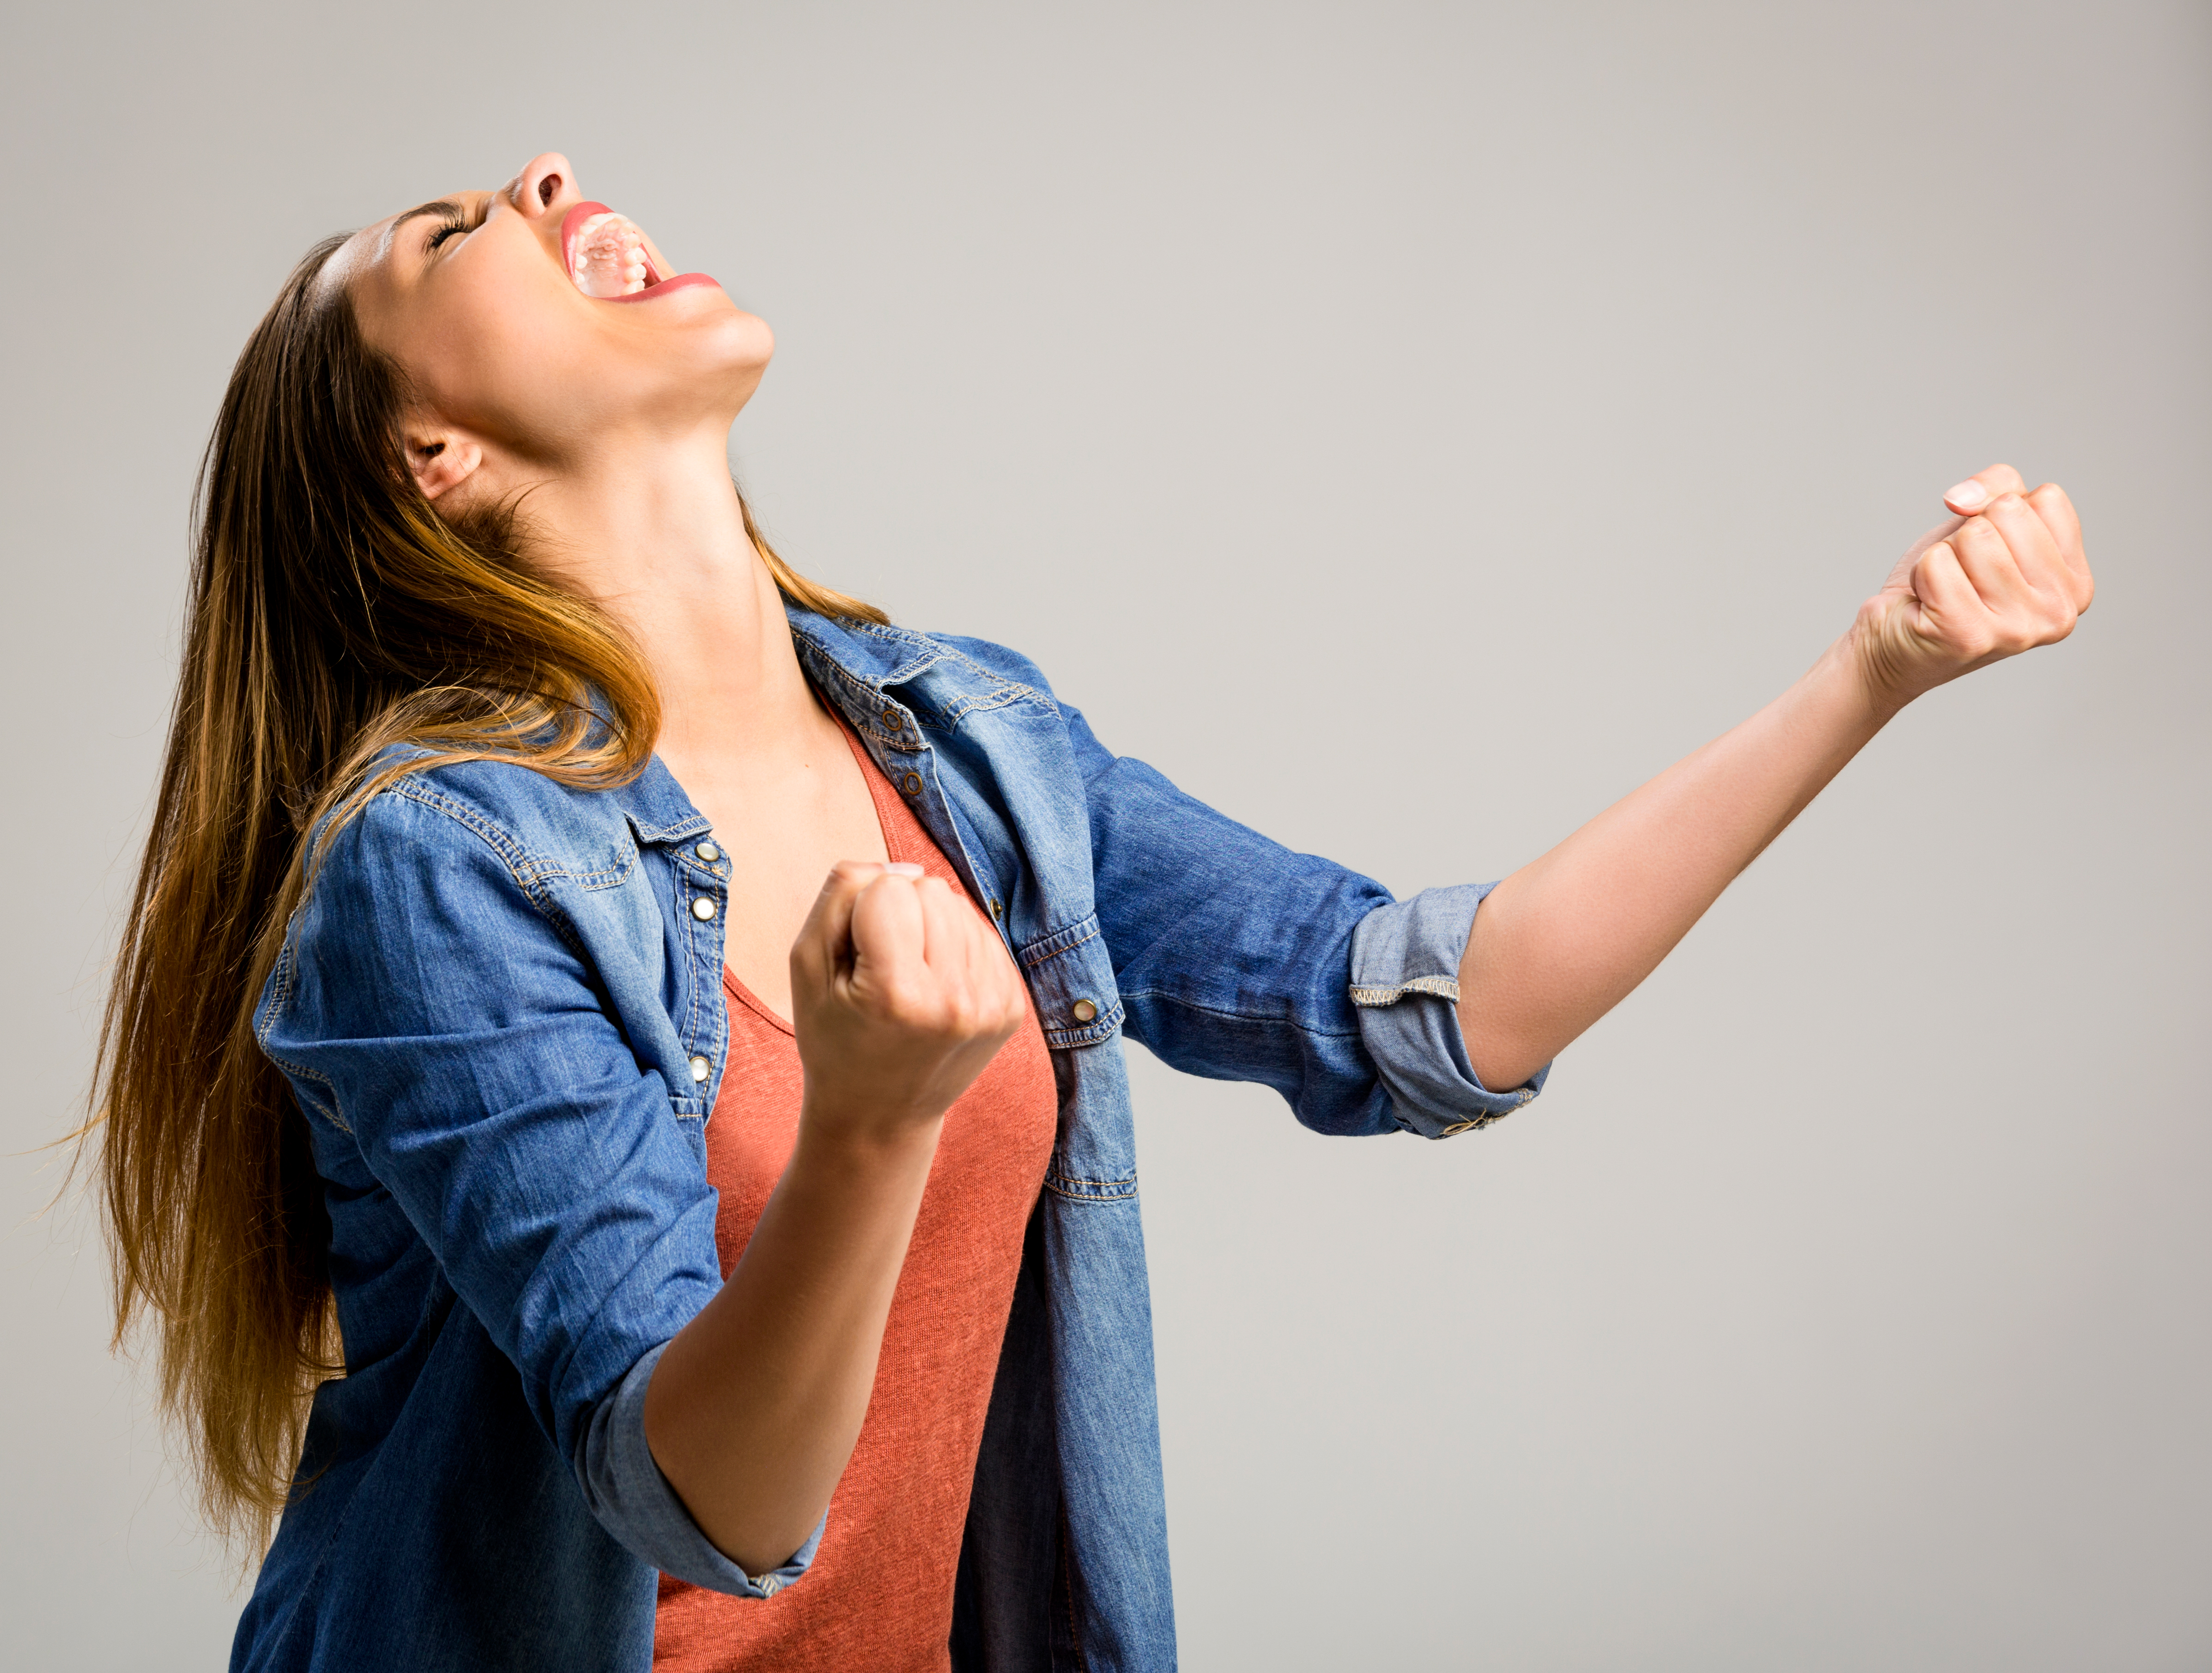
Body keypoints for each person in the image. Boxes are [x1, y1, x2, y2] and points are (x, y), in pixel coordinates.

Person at [90, 151, 2092, 1673]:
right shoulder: (438, 861)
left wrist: (1874, 667)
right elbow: (699, 1497)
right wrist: (868, 1126)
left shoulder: (972, 749)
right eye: (451, 233)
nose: (541, 181)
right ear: (433, 458)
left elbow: (1419, 1011)